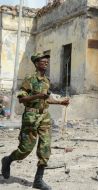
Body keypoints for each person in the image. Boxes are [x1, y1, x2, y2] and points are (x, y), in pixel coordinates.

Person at [1, 52, 69, 190]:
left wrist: (60, 102)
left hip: (44, 117)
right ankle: (7, 160)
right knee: (25, 150)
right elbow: (22, 99)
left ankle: (38, 180)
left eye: (46, 62)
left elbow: (46, 98)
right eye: (42, 62)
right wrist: (37, 96)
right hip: (31, 118)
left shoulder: (46, 81)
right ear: (36, 64)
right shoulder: (30, 79)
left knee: (45, 148)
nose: (45, 63)